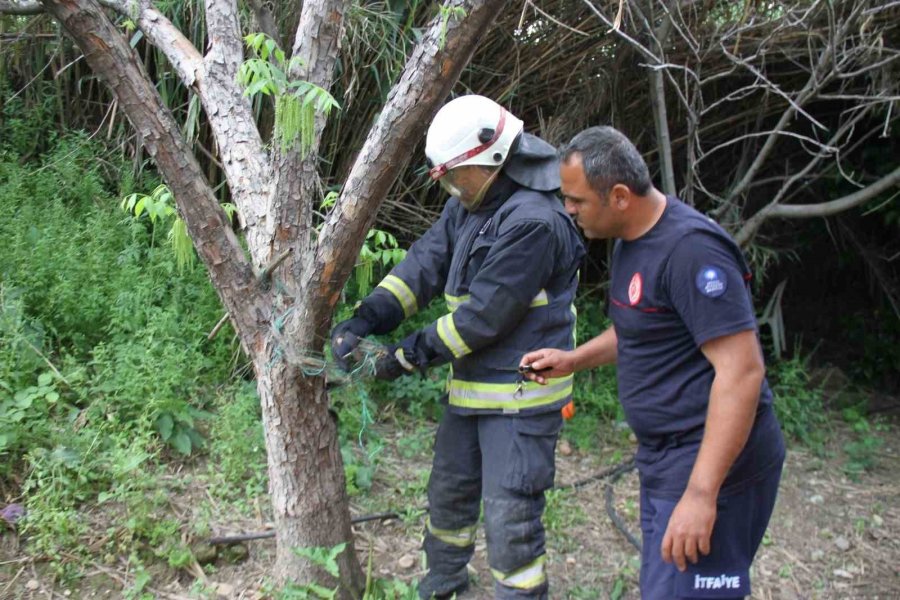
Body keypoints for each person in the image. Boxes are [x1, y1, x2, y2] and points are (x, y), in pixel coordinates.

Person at [330, 95, 585, 599]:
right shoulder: (472, 203)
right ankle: (444, 587)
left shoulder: (533, 220)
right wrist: (368, 317)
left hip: (519, 402)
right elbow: (424, 265)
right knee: (448, 502)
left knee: (510, 522)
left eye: (453, 176)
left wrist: (400, 359)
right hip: (471, 392)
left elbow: (481, 319)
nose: (448, 187)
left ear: (490, 158)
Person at [521, 126, 785, 599]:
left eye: (577, 199)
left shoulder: (692, 252)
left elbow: (742, 372)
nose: (569, 209)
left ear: (619, 196)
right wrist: (574, 359)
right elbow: (639, 328)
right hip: (664, 460)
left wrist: (702, 495)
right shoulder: (631, 242)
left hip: (712, 462)